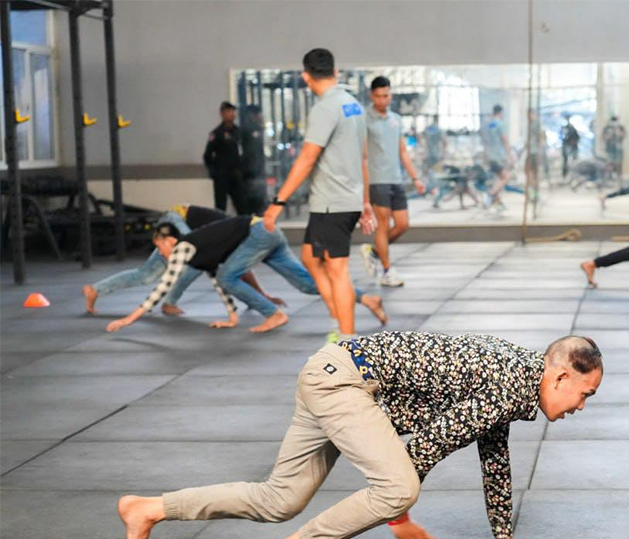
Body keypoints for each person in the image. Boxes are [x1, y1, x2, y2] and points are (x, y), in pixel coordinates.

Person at [116, 332, 604, 539]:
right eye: (586, 393)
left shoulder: (519, 375)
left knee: (278, 498)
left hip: (332, 369)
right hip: (345, 382)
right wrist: (400, 515)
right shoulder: (508, 383)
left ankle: (149, 508)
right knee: (398, 487)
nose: (582, 405)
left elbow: (492, 450)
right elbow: (422, 451)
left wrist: (504, 536)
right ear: (561, 375)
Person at [261, 48, 376, 342]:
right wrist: (364, 202)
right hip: (342, 200)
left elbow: (307, 158)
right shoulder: (353, 105)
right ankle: (340, 319)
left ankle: (349, 342)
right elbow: (363, 159)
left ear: (305, 77)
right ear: (335, 72)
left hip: (332, 204)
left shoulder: (325, 108)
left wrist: (278, 203)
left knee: (337, 270)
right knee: (311, 258)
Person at [105, 214, 387, 334]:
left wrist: (128, 319)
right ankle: (366, 299)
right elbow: (219, 281)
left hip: (258, 232)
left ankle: (273, 315)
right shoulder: (200, 251)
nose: (162, 254)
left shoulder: (182, 248)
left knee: (230, 276)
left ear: (168, 242)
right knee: (306, 284)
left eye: (159, 248)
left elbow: (162, 288)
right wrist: (232, 317)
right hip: (267, 232)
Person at [83, 205, 232, 315]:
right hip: (175, 218)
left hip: (173, 220)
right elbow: (241, 271)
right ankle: (170, 303)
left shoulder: (232, 233)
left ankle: (94, 290)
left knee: (146, 275)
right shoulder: (231, 228)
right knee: (194, 260)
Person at [359, 76, 426, 288]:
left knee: (403, 224)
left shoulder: (395, 119)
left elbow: (402, 151)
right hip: (377, 180)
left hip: (396, 179)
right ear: (372, 96)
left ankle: (374, 252)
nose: (382, 100)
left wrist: (415, 177)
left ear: (391, 95)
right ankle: (387, 271)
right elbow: (364, 156)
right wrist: (365, 192)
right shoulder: (365, 120)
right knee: (383, 225)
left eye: (386, 96)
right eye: (378, 96)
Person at [203, 101, 248, 214]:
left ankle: (243, 228)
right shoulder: (217, 133)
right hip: (222, 175)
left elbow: (244, 151)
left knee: (241, 205)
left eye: (233, 111)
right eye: (228, 112)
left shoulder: (238, 132)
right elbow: (207, 155)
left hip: (236, 174)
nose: (231, 114)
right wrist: (214, 172)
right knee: (220, 207)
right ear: (222, 114)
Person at [481, 104, 513, 211]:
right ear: (500, 113)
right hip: (498, 156)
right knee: (506, 177)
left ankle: (498, 203)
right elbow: (504, 139)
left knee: (498, 179)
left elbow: (484, 141)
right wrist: (510, 154)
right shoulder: (500, 124)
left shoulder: (487, 125)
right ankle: (490, 195)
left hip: (490, 156)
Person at [240, 104, 268, 214]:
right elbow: (250, 152)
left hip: (256, 171)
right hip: (251, 172)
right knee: (255, 200)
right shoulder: (248, 129)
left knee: (257, 199)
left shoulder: (257, 129)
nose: (261, 117)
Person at [602, 115, 627, 182]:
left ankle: (619, 176)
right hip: (610, 149)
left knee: (619, 163)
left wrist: (618, 132)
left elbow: (623, 136)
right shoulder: (607, 128)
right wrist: (609, 135)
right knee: (609, 163)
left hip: (618, 148)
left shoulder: (620, 127)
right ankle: (609, 176)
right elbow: (604, 137)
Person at [560, 114, 580, 178]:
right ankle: (565, 175)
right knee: (566, 161)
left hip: (572, 146)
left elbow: (577, 137)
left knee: (574, 161)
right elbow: (561, 137)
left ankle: (574, 174)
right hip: (567, 145)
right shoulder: (564, 128)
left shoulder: (572, 128)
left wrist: (573, 142)